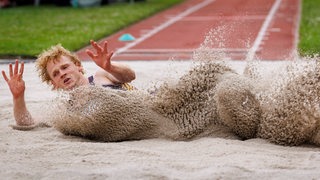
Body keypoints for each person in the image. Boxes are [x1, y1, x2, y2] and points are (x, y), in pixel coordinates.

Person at [2, 40, 136, 128]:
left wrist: (111, 67)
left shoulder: (101, 75)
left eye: (65, 67)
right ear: (54, 84)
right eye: (55, 74)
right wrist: (18, 97)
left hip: (141, 109)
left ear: (78, 66)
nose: (62, 73)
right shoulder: (64, 110)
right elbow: (26, 122)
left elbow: (130, 76)